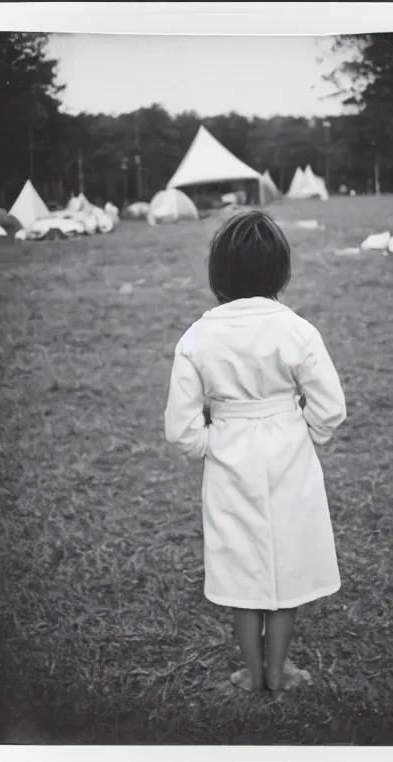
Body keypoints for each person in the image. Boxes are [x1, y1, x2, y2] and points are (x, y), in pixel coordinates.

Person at [164, 211, 346, 693]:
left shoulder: (197, 339)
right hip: (289, 455)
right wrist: (299, 430)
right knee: (283, 566)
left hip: (229, 460)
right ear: (280, 274)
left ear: (217, 275)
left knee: (243, 568)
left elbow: (180, 429)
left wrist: (213, 442)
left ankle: (253, 671)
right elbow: (330, 408)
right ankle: (279, 670)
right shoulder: (298, 331)